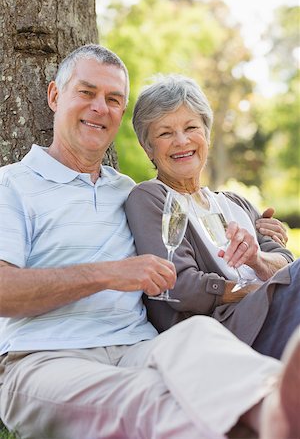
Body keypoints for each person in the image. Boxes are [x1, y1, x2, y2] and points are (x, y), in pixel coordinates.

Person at [0, 44, 299, 439]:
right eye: (86, 93)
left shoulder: (124, 190)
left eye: (113, 100)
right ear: (56, 96)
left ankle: (276, 413)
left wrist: (258, 235)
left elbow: (196, 231)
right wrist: (108, 275)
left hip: (139, 347)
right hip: (45, 358)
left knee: (201, 340)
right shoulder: (11, 186)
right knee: (154, 398)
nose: (99, 108)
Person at [125, 73, 299, 360]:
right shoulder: (152, 197)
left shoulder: (236, 203)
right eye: (165, 133)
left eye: (191, 127)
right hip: (224, 330)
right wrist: (254, 290)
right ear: (148, 148)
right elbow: (180, 285)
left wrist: (257, 259)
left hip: (269, 314)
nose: (181, 141)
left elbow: (287, 266)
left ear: (206, 135)